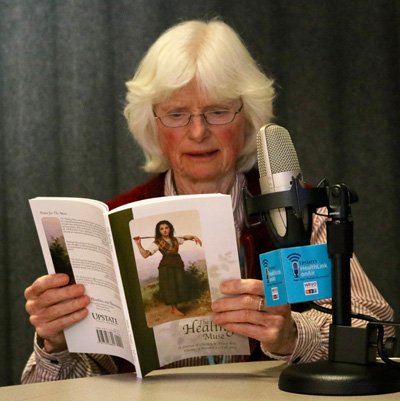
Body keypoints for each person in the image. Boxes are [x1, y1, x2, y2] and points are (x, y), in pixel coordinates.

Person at [22, 19, 394, 383]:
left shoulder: (301, 207)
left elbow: (380, 332)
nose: (198, 132)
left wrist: (293, 335)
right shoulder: (113, 222)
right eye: (177, 114)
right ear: (151, 123)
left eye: (217, 111)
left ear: (247, 118)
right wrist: (55, 341)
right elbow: (46, 385)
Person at [133, 220, 202, 317]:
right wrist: (138, 244)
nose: (164, 230)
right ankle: (174, 309)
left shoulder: (176, 239)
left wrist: (194, 237)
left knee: (179, 284)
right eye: (161, 229)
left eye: (166, 228)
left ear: (170, 228)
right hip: (166, 267)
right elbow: (145, 255)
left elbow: (185, 237)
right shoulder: (157, 242)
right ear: (159, 231)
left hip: (178, 264)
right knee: (170, 287)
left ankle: (177, 307)